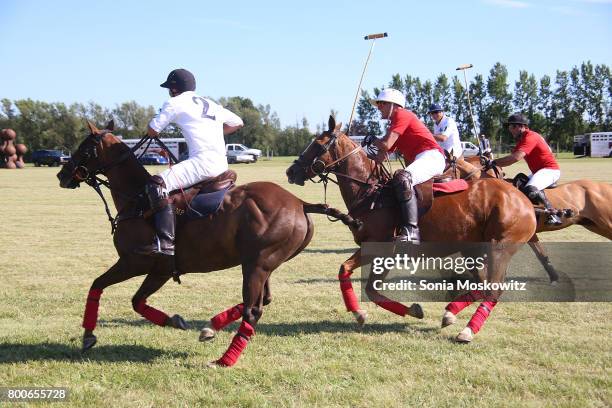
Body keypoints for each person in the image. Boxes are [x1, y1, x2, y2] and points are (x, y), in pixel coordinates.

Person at [145, 68, 244, 261]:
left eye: (169, 88)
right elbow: (238, 122)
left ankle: (165, 243)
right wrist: (214, 132)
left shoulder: (174, 102)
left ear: (174, 89)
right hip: (221, 164)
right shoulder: (209, 103)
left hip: (202, 163)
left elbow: (152, 130)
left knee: (156, 183)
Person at [370, 89, 446, 243]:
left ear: (393, 105)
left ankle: (412, 232)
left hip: (432, 156)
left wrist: (372, 139)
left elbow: (385, 144)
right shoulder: (394, 125)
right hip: (423, 158)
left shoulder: (402, 114)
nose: (378, 107)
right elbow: (381, 156)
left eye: (381, 103)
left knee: (402, 177)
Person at [489, 113, 562, 226]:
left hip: (550, 170)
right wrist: (492, 159)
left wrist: (493, 162)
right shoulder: (522, 140)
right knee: (517, 184)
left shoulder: (530, 136)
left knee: (530, 188)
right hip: (538, 172)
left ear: (522, 126)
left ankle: (553, 214)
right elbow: (509, 158)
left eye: (513, 126)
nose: (510, 129)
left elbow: (515, 158)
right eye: (509, 127)